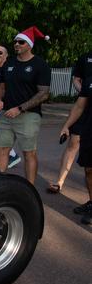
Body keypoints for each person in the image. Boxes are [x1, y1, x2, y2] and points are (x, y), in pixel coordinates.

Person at [0, 26, 51, 185]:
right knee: (2, 149)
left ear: (29, 45)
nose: (17, 44)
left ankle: (30, 189)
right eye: (15, 42)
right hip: (7, 114)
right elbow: (0, 84)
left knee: (29, 153)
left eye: (21, 42)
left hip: (28, 116)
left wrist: (20, 108)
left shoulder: (40, 65)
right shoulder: (9, 64)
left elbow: (43, 93)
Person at [46, 51, 92, 194]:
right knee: (73, 143)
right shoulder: (85, 57)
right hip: (84, 106)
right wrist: (85, 91)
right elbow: (76, 79)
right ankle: (60, 181)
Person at [58, 76, 92, 224]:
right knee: (89, 169)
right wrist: (67, 125)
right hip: (89, 130)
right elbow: (79, 106)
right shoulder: (89, 79)